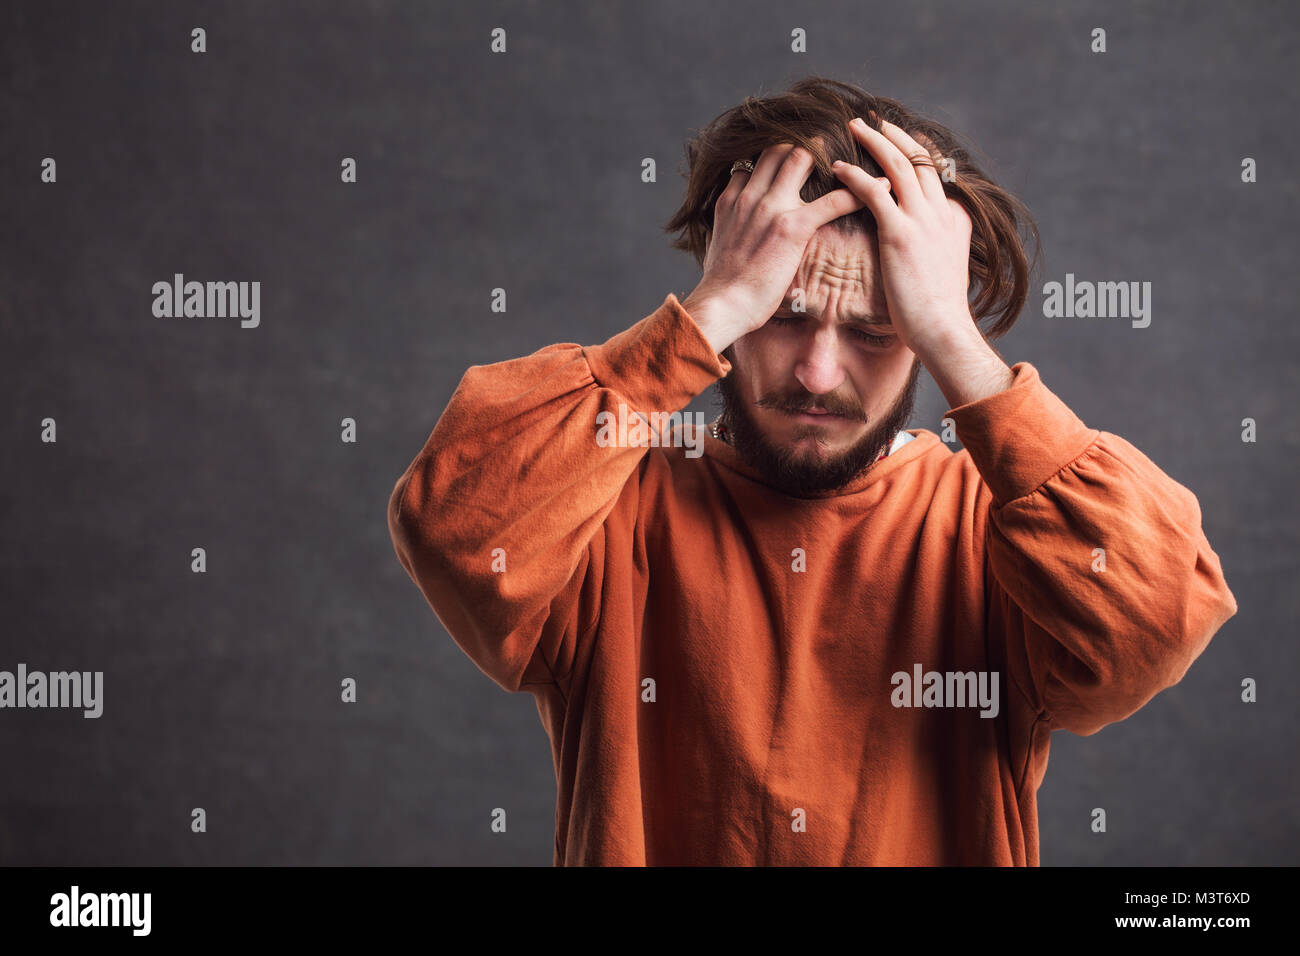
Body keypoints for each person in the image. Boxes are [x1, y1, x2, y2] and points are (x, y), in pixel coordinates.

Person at [386, 76, 1237, 865]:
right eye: (783, 316)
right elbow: (452, 524)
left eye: (875, 332)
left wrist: (954, 340)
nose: (818, 375)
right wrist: (703, 317)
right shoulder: (604, 507)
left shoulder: (1000, 529)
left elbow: (1161, 618)